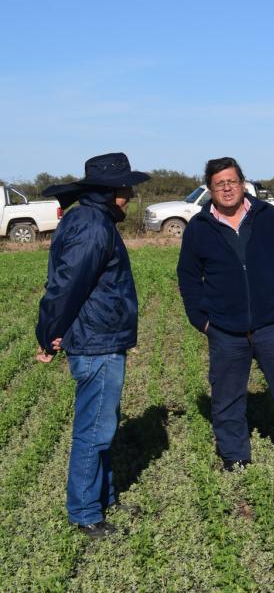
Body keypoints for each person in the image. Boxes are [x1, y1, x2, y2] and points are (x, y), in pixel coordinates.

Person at [176, 157, 274, 470]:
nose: (227, 188)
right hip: (225, 329)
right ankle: (235, 456)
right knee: (227, 396)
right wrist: (202, 320)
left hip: (273, 323)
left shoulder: (268, 217)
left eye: (232, 181)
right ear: (210, 189)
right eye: (219, 184)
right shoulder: (199, 228)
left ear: (242, 184)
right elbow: (188, 278)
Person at [36, 152, 149, 538]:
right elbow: (66, 287)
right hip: (96, 343)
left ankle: (104, 498)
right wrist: (48, 334)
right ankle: (85, 513)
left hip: (101, 339)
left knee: (103, 426)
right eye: (125, 188)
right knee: (94, 431)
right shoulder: (92, 226)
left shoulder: (91, 220)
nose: (130, 195)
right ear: (106, 190)